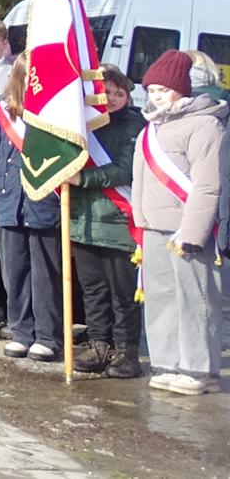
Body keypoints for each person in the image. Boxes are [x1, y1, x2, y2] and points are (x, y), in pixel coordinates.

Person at [131, 50, 224, 395]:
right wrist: (140, 222)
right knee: (161, 297)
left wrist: (194, 232)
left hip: (186, 228)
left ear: (182, 89)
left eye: (163, 89)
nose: (156, 96)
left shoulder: (205, 124)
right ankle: (168, 361)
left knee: (195, 299)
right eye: (152, 89)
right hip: (154, 226)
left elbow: (207, 184)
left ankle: (199, 369)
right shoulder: (151, 128)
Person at [0, 54, 64, 361]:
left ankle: (48, 335)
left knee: (44, 273)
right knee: (14, 271)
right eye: (27, 75)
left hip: (44, 202)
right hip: (9, 199)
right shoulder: (4, 111)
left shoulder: (58, 115)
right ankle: (21, 331)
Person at [69, 66, 147, 378]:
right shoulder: (84, 125)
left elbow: (125, 170)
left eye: (119, 93)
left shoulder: (135, 126)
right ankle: (99, 343)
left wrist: (83, 178)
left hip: (118, 222)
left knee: (123, 293)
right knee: (93, 289)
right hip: (84, 221)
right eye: (107, 93)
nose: (113, 98)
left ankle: (127, 350)